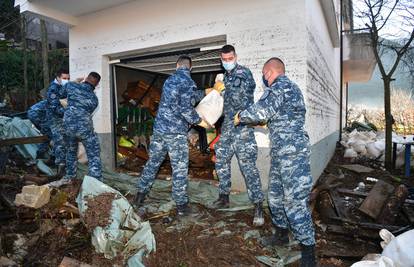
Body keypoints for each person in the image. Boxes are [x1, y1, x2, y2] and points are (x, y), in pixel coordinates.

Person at [235, 58, 316, 267]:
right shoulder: (291, 89)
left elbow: (260, 111)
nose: (264, 78)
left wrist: (240, 116)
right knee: (275, 196)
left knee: (294, 202)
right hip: (281, 153)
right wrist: (264, 122)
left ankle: (308, 253)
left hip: (293, 154)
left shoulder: (280, 87)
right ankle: (281, 234)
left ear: (269, 72)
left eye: (264, 74)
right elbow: (277, 116)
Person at [133, 55, 210, 216]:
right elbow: (185, 107)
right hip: (175, 133)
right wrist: (200, 122)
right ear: (191, 67)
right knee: (180, 169)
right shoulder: (188, 82)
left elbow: (183, 98)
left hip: (160, 130)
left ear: (176, 66)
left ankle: (139, 196)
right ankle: (182, 206)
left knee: (153, 163)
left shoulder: (169, 81)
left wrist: (204, 92)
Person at [212, 44, 264, 226]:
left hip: (241, 126)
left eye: (230, 58)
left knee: (248, 168)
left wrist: (222, 90)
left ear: (235, 57)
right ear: (221, 59)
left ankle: (258, 206)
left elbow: (239, 100)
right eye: (224, 60)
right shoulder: (226, 75)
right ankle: (224, 196)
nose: (227, 62)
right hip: (227, 126)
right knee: (221, 161)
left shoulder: (244, 73)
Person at [63, 72, 102, 181]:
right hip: (84, 129)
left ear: (86, 78)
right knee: (93, 154)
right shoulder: (94, 99)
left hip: (68, 127)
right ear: (97, 84)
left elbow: (61, 93)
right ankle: (95, 180)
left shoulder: (71, 86)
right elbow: (89, 112)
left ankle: (70, 177)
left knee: (71, 152)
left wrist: (75, 81)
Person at [46, 69, 70, 176]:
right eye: (64, 78)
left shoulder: (64, 87)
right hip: (55, 118)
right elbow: (54, 108)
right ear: (58, 77)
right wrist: (69, 111)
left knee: (60, 140)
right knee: (60, 141)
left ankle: (52, 158)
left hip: (63, 118)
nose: (67, 80)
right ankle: (60, 168)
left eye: (68, 78)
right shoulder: (53, 88)